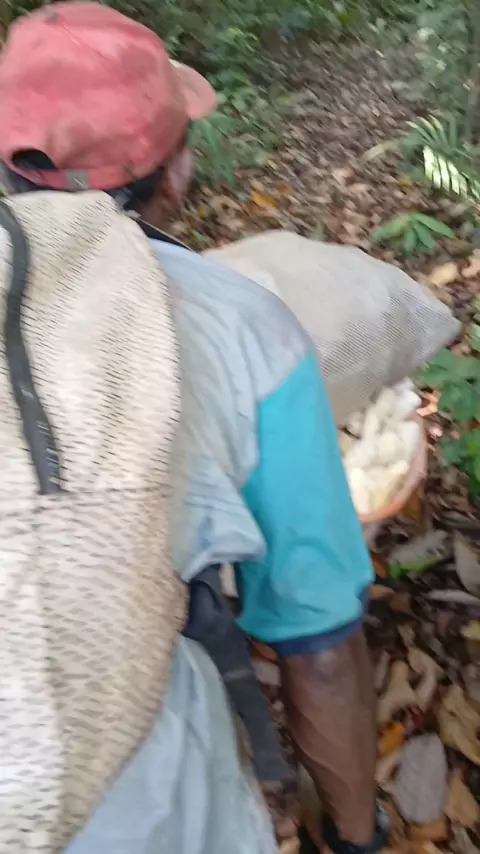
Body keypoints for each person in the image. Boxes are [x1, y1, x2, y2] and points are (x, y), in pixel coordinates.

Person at [0, 4, 380, 853]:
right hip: (151, 806)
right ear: (173, 173)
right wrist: (359, 836)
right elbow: (320, 649)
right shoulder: (242, 327)